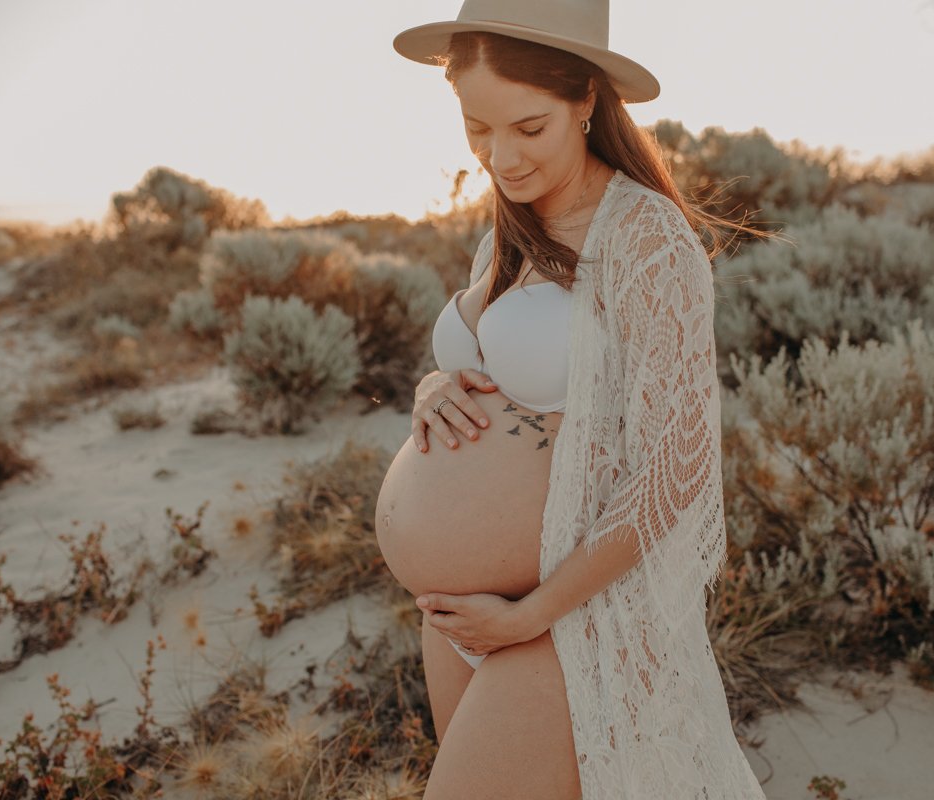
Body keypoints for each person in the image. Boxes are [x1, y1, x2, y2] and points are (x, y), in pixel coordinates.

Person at [383, 1, 773, 797]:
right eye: (477, 129)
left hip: (572, 620)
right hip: (463, 613)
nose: (502, 157)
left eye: (529, 127)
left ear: (587, 99)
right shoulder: (507, 235)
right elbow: (496, 365)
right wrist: (436, 386)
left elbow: (677, 465)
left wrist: (531, 617)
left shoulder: (645, 238)